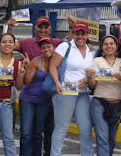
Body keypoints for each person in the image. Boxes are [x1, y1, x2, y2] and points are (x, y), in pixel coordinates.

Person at [7, 15, 75, 156]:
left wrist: (72, 27)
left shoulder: (56, 44)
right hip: (29, 98)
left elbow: (70, 43)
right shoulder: (30, 50)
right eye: (40, 27)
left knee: (42, 132)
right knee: (26, 133)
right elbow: (9, 45)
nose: (43, 30)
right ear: (35, 29)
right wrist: (10, 28)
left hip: (47, 98)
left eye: (46, 27)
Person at [49, 21, 95, 156]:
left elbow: (91, 73)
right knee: (61, 128)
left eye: (83, 33)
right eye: (77, 33)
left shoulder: (91, 50)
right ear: (73, 34)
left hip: (83, 93)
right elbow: (53, 66)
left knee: (86, 129)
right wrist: (57, 82)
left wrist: (87, 80)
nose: (80, 36)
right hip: (66, 91)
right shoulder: (65, 46)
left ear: (87, 35)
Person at [87, 35, 121, 156]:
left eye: (111, 44)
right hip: (99, 103)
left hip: (116, 106)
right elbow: (92, 85)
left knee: (111, 138)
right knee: (102, 138)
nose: (109, 46)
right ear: (102, 47)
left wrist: (120, 77)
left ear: (117, 46)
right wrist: (90, 76)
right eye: (106, 44)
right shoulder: (97, 61)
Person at [19, 36, 55, 156]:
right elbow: (26, 82)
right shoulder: (36, 61)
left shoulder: (57, 61)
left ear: (53, 47)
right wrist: (28, 68)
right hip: (27, 99)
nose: (46, 50)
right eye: (43, 48)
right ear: (40, 49)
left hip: (44, 100)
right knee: (26, 133)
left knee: (38, 133)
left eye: (48, 46)